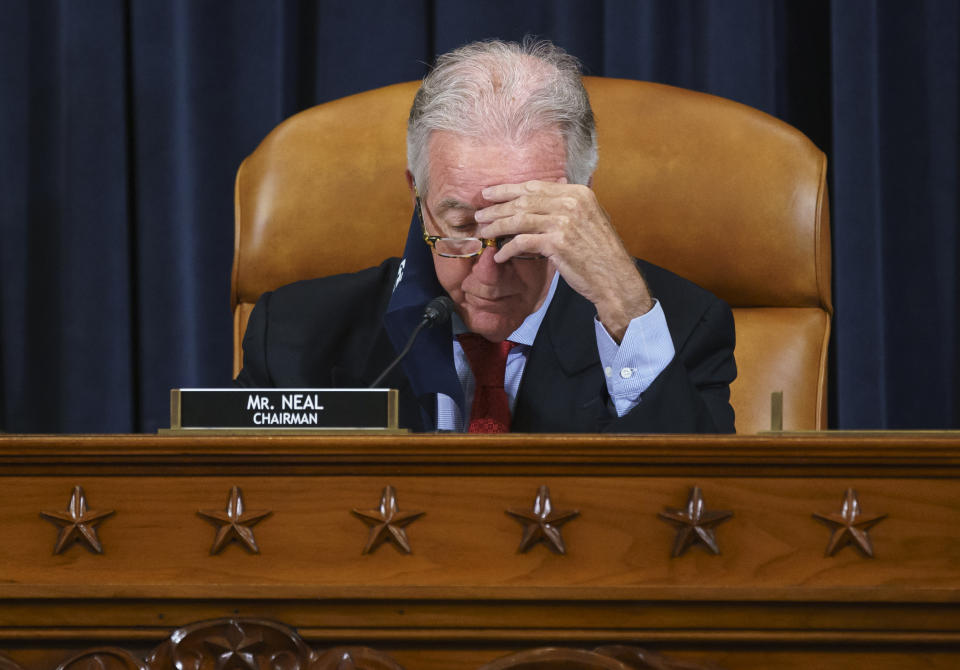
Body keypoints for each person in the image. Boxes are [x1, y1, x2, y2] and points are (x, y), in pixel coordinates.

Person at [235, 38, 736, 433]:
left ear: (578, 203)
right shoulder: (294, 338)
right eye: (462, 227)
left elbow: (708, 518)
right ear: (418, 196)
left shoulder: (678, 328)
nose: (489, 272)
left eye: (521, 228)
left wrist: (624, 309)